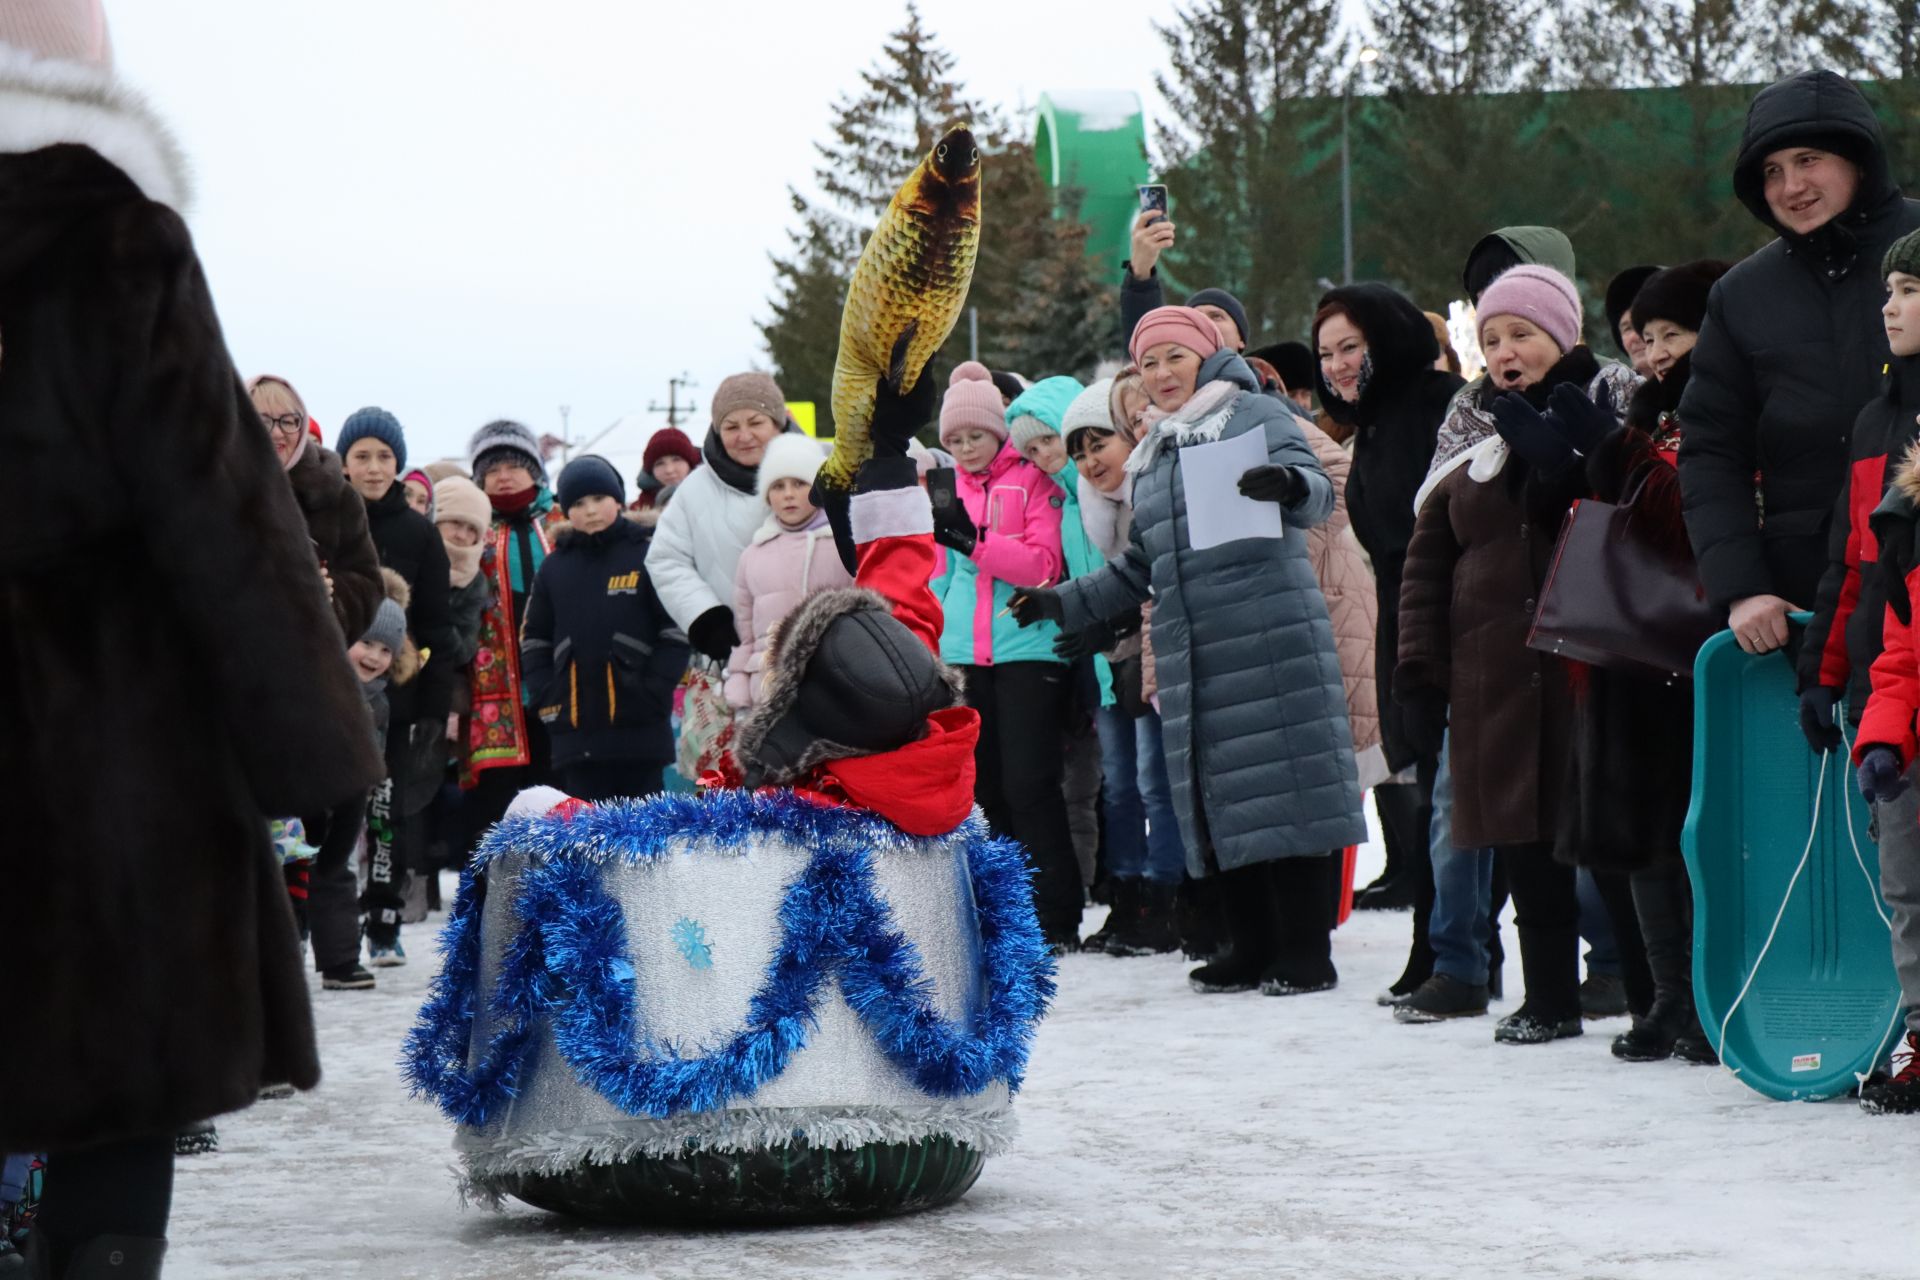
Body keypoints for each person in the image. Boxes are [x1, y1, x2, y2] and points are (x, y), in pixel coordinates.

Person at [0, 6, 384, 1267]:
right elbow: (218, 508)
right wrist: (319, 745)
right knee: (122, 1075)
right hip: (104, 742)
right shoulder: (104, 231)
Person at [1014, 307, 1365, 995]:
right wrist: (1065, 600)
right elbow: (1140, 562)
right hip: (1196, 646)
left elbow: (1320, 490)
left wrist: (1289, 487)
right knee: (1224, 797)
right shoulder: (1157, 450)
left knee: (1286, 792)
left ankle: (1304, 952)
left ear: (1204, 357)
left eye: (1174, 356)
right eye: (1148, 363)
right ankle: (1251, 944)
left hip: (1270, 635)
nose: (1162, 373)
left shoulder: (1254, 415)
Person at [1397, 264, 1632, 1044]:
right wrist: (1420, 668)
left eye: (1522, 334)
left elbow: (1636, 516)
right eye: (1492, 337)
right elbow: (1429, 560)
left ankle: (1649, 989)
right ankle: (1550, 999)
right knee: (1525, 843)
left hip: (1588, 664)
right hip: (1495, 672)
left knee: (1608, 839)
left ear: (1560, 336)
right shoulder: (1472, 427)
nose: (1505, 350)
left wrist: (1575, 464)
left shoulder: (1607, 404)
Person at [1680, 69, 1920, 658]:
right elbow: (1712, 449)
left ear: (1857, 157)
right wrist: (1742, 589)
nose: (1792, 186)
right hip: (1809, 609)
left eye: (1808, 159)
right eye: (1771, 171)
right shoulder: (1741, 296)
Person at [1313, 285, 1465, 952]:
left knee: (1454, 798)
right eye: (1327, 353)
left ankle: (1456, 951)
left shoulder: (1436, 405)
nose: (1339, 365)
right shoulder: (1372, 424)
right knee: (1433, 790)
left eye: (1352, 346)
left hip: (1456, 621)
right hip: (1405, 620)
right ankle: (1437, 946)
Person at [930, 363, 1080, 949]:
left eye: (976, 435)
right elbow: (938, 577)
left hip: (1027, 649)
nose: (966, 449)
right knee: (983, 791)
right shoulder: (947, 490)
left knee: (1031, 785)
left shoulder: (1032, 479)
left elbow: (1042, 566)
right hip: (965, 656)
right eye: (955, 439)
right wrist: (931, 643)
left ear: (998, 432)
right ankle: (998, 917)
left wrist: (974, 542)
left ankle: (1056, 914)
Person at [1052, 378, 1185, 955]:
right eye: (1077, 452)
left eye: (1097, 444)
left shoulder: (1148, 493)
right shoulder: (1083, 508)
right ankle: (1127, 893)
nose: (1088, 461)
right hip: (1109, 665)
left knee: (1157, 783)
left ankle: (1167, 892)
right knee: (1120, 787)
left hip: (1151, 658)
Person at [337, 406, 457, 962]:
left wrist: (431, 703)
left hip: (396, 701)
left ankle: (384, 920)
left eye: (384, 456)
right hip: (329, 693)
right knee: (327, 808)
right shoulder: (325, 525)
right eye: (362, 456)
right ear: (343, 463)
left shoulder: (418, 533)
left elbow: (437, 621)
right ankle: (320, 914)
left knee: (386, 812)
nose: (374, 467)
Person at [1801, 231, 1920, 754]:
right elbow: (1852, 562)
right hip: (1882, 706)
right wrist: (1821, 672)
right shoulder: (1876, 421)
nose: (1889, 307)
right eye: (1888, 290)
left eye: (1909, 289)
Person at [521, 456, 690, 802]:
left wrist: (654, 688)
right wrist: (545, 695)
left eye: (599, 499)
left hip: (641, 730)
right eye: (579, 503)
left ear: (617, 499)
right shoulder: (554, 568)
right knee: (589, 837)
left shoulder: (647, 553)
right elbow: (534, 638)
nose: (591, 510)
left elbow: (675, 630)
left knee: (644, 839)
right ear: (566, 511)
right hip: (576, 736)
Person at [1007, 375, 1109, 897]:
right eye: (1031, 448)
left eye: (1048, 439)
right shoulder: (1063, 495)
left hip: (1123, 640)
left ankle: (1144, 894)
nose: (1043, 453)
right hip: (1091, 647)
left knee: (1133, 781)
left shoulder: (1095, 484)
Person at [647, 374, 800, 664]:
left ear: (778, 424)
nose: (744, 436)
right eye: (731, 427)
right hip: (735, 657)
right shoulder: (694, 490)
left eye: (756, 423)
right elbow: (665, 558)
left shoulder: (817, 474)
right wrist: (705, 617)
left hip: (817, 651)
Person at [459, 419, 557, 841]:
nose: (503, 475)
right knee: (497, 804)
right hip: (494, 689)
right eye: (492, 468)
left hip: (556, 684)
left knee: (557, 795)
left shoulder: (560, 522)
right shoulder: (470, 531)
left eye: (513, 465)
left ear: (534, 470)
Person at [249, 374, 383, 641]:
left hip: (307, 661)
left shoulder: (335, 495)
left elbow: (369, 584)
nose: (277, 432)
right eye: (262, 420)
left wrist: (328, 597)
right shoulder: (214, 487)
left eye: (288, 421)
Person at [725, 434, 852, 711]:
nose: (788, 494)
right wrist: (738, 679)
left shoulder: (843, 544)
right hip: (771, 686)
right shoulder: (753, 555)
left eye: (799, 483)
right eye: (778, 486)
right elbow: (745, 633)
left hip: (835, 682)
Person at [1118, 207, 1253, 351]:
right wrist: (1141, 268)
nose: (1204, 323)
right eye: (1193, 319)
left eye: (1216, 316)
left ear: (1241, 338)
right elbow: (1146, 335)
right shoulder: (1164, 372)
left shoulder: (1266, 373)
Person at [1605, 265, 1661, 380]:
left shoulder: (1702, 388)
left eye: (1642, 323)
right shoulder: (1609, 394)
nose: (1635, 336)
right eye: (1627, 328)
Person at [632, 425, 701, 516]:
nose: (669, 470)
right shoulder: (636, 512)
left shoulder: (714, 497)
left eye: (676, 459)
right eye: (660, 463)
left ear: (691, 464)